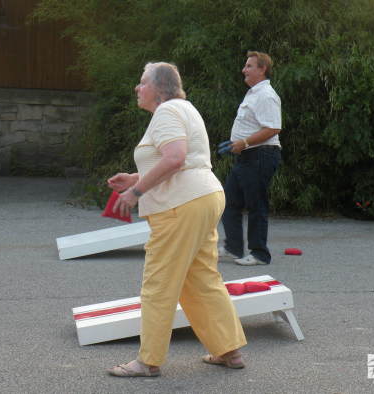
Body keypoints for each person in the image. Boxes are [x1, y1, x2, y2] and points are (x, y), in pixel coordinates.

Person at [106, 62, 247, 377]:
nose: (137, 88)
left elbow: (175, 157)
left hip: (180, 206)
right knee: (200, 278)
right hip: (203, 197)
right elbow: (181, 160)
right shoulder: (185, 109)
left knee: (159, 283)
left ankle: (148, 361)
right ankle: (229, 350)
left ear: (158, 88)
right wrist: (134, 178)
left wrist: (137, 192)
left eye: (142, 83)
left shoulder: (166, 112)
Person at [219, 51, 282, 266]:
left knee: (256, 205)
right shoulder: (253, 93)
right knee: (229, 201)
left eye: (248, 66)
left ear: (262, 69)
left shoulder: (266, 95)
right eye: (245, 66)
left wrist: (244, 143)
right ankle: (234, 248)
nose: (243, 70)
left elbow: (273, 128)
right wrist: (238, 143)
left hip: (261, 155)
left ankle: (259, 254)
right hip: (247, 156)